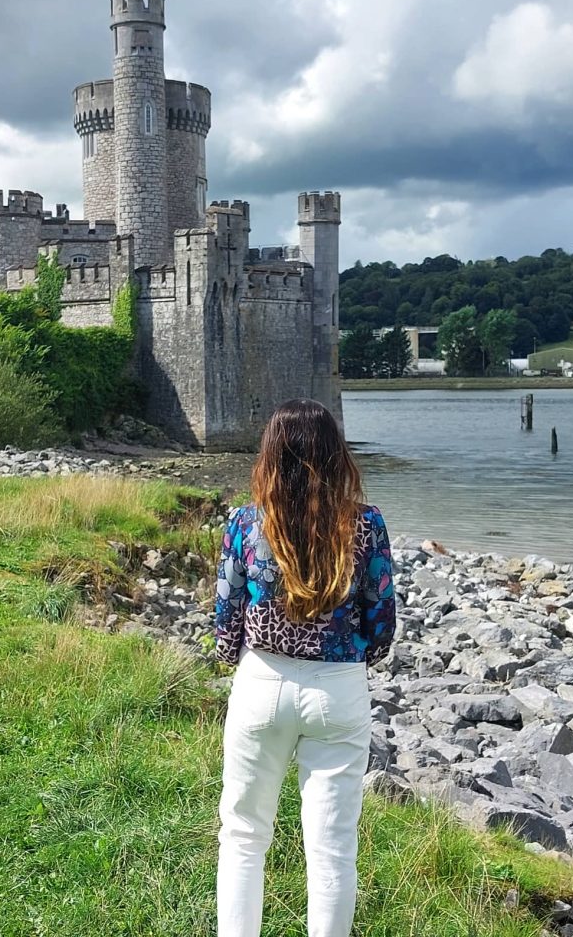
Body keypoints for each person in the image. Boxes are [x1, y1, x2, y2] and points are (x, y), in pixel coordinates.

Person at [214, 398, 395, 937]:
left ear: (271, 453)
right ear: (334, 454)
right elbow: (380, 617)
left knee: (244, 836)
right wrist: (355, 655)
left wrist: (239, 659)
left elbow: (227, 616)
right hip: (338, 689)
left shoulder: (247, 523)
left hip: (262, 682)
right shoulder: (365, 524)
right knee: (333, 847)